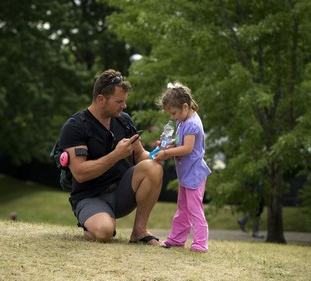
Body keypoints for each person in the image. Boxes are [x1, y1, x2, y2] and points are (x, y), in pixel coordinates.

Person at [59, 69, 164, 246]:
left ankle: (139, 232)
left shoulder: (124, 121)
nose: (124, 106)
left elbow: (140, 156)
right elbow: (80, 173)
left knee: (153, 167)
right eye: (119, 101)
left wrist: (159, 153)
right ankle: (95, 223)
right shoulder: (76, 126)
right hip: (90, 196)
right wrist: (116, 155)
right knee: (104, 233)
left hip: (121, 191)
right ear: (101, 99)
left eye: (125, 101)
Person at [153, 82, 212, 253]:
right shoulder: (182, 121)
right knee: (183, 208)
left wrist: (167, 154)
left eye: (174, 113)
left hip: (194, 173)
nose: (173, 117)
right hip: (186, 174)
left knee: (194, 209)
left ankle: (200, 243)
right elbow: (180, 142)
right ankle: (177, 238)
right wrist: (168, 144)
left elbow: (187, 148)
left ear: (185, 107)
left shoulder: (192, 124)